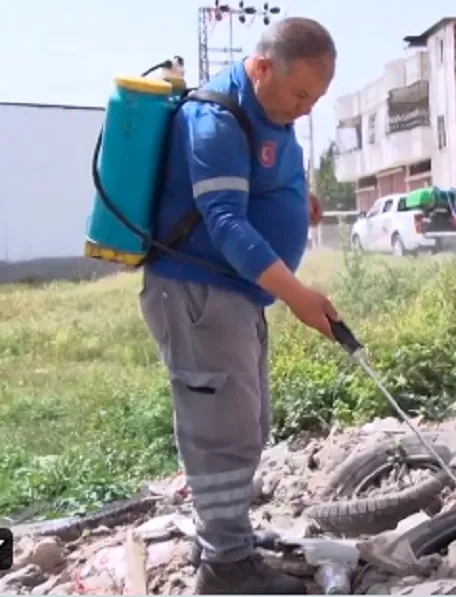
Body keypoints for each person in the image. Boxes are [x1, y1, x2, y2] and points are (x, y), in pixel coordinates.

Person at [139, 17, 336, 594]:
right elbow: (224, 220)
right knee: (220, 430)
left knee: (246, 424)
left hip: (235, 296)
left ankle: (230, 545)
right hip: (199, 291)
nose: (304, 108)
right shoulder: (216, 118)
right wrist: (299, 298)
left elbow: (264, 173)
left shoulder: (270, 109)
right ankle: (225, 568)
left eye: (315, 100)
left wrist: (300, 201)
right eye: (300, 93)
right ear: (262, 66)